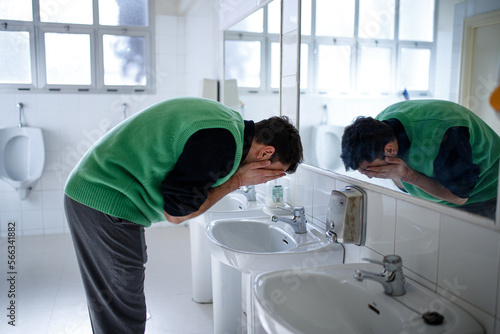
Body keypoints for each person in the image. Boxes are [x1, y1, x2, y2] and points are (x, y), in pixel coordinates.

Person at [63, 97, 303, 334]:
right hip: (104, 198)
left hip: (103, 194)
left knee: (120, 296)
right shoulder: (221, 144)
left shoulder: (228, 124)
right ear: (265, 153)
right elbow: (175, 215)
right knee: (122, 305)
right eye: (273, 173)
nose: (267, 180)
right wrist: (237, 181)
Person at [341, 99, 499, 219]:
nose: (370, 174)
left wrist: (408, 176)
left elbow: (458, 197)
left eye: (370, 169)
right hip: (445, 198)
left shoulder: (443, 135)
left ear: (390, 150)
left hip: (487, 191)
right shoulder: (379, 129)